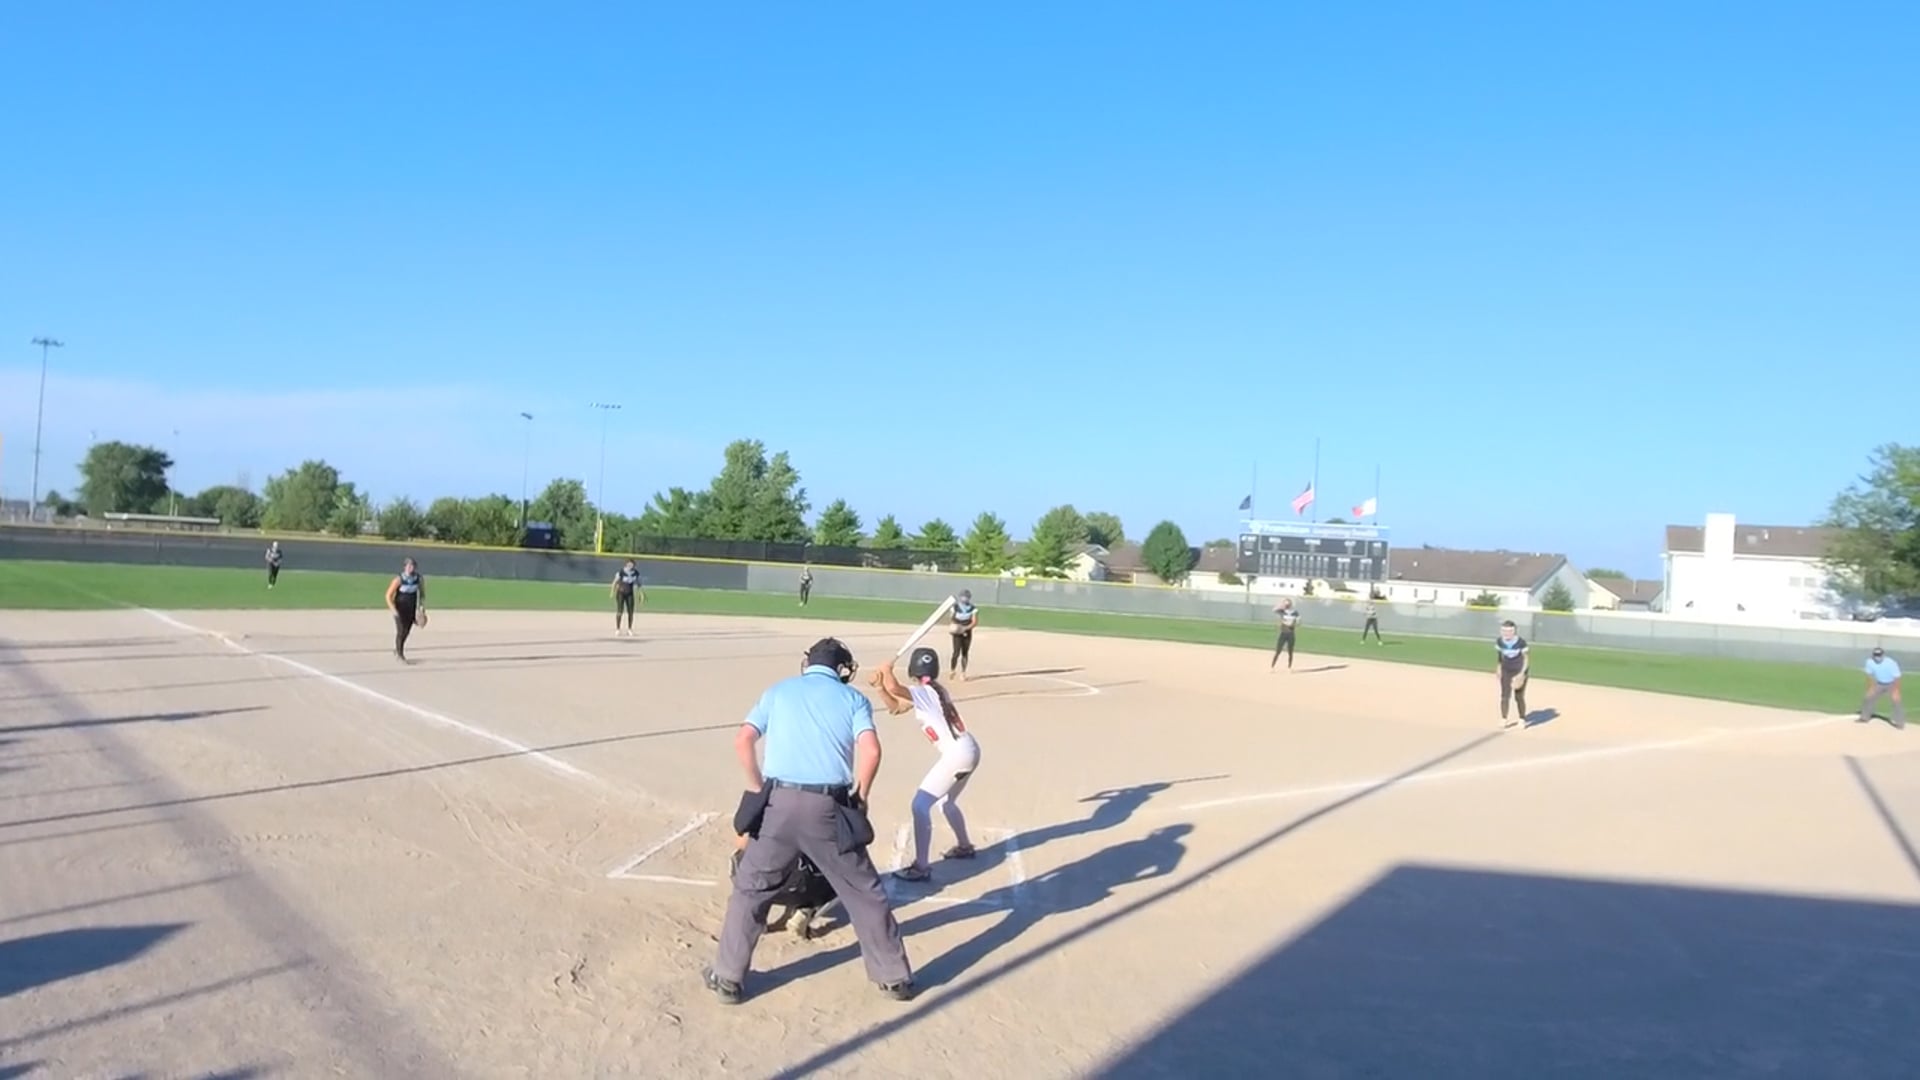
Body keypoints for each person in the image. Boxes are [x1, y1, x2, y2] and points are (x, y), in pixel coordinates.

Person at [706, 637, 915, 1005]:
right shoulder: (853, 699)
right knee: (865, 892)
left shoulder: (778, 691)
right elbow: (871, 751)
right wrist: (861, 796)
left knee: (751, 889)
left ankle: (727, 978)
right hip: (828, 807)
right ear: (842, 669)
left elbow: (743, 740)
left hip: (778, 803)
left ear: (808, 663)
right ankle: (893, 978)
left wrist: (757, 788)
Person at [870, 647, 980, 883]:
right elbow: (896, 707)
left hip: (957, 754)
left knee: (920, 806)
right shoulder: (933, 692)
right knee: (946, 802)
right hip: (969, 749)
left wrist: (887, 670)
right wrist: (880, 687)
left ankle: (921, 867)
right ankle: (964, 846)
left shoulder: (925, 693)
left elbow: (895, 688)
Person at [384, 557, 427, 663]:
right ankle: (400, 654)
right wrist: (393, 609)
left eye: (412, 566)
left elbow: (422, 594)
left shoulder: (418, 579)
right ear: (404, 567)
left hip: (411, 608)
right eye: (408, 565)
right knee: (401, 631)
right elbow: (388, 595)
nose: (410, 568)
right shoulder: (399, 579)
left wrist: (421, 607)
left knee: (406, 631)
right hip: (400, 609)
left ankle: (398, 649)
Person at [1859, 647, 1906, 730]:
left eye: (1879, 655)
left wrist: (1896, 691)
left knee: (1896, 701)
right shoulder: (1869, 662)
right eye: (1876, 655)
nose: (1877, 657)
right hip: (1879, 683)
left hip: (1891, 683)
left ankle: (1900, 723)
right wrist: (1870, 688)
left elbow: (1897, 677)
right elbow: (1869, 676)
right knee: (1868, 697)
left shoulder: (1891, 663)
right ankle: (1864, 717)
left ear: (1883, 655)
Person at [1496, 619, 1530, 728]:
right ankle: (1504, 718)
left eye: (1509, 631)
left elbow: (1526, 659)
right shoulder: (1499, 641)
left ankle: (1522, 719)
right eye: (1504, 631)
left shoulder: (1521, 642)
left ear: (1514, 631)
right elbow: (1500, 657)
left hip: (1518, 669)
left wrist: (1522, 673)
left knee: (1519, 696)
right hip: (1506, 669)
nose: (1506, 633)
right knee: (1505, 695)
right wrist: (1499, 668)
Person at [949, 590, 979, 680]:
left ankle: (963, 672)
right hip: (957, 632)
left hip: (966, 631)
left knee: (965, 653)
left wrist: (965, 628)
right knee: (956, 652)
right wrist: (955, 627)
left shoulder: (972, 608)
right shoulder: (955, 607)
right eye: (962, 596)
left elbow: (974, 622)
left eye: (966, 597)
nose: (964, 598)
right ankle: (952, 670)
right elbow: (951, 618)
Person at [610, 559, 644, 636]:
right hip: (621, 593)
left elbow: (639, 584)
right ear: (626, 564)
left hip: (630, 593)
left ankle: (629, 629)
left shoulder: (636, 573)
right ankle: (618, 629)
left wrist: (641, 594)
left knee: (631, 612)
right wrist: (612, 591)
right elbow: (615, 582)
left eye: (632, 564)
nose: (630, 565)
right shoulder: (621, 572)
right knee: (620, 611)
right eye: (629, 564)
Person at [1271, 599, 1301, 671]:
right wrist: (1281, 605)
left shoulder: (1295, 613)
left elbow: (1298, 622)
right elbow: (1274, 610)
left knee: (1290, 651)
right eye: (1286, 604)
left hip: (1290, 633)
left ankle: (1289, 667)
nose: (1287, 605)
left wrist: (1294, 624)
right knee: (1278, 650)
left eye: (1288, 604)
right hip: (1283, 633)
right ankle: (1272, 666)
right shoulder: (1282, 611)